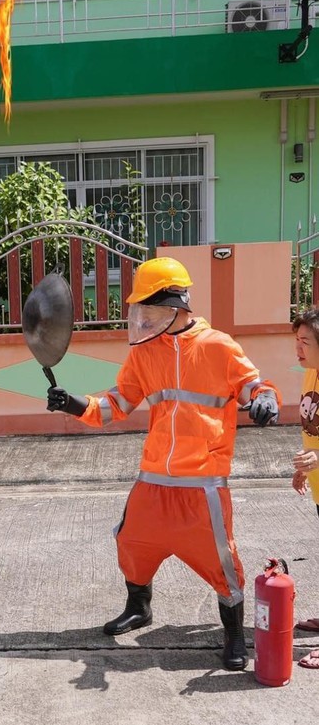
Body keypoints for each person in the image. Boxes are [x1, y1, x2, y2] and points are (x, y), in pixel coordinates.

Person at [46, 256, 281, 672]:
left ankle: (232, 637)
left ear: (175, 304)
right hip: (153, 478)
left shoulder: (219, 346)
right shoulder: (145, 354)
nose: (142, 317)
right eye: (141, 310)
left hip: (203, 483)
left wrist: (265, 398)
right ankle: (140, 607)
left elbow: (255, 385)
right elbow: (115, 404)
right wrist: (73, 403)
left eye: (149, 309)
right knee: (131, 543)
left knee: (223, 563)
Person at [290, 307, 319, 668]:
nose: (297, 348)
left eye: (305, 341)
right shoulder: (309, 375)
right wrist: (307, 467)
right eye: (295, 340)